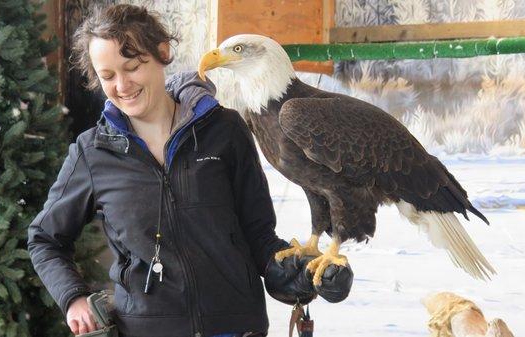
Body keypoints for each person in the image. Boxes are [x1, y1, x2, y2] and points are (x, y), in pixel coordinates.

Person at [27, 4, 352, 337]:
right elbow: (44, 239)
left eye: (132, 67)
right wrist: (73, 298)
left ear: (162, 52)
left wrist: (304, 276)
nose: (122, 85)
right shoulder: (93, 151)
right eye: (107, 76)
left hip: (234, 328)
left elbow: (258, 238)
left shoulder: (224, 130)